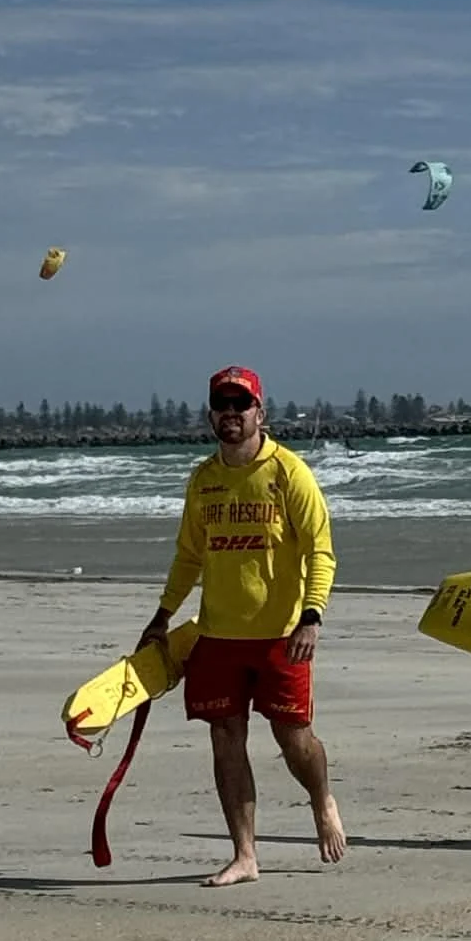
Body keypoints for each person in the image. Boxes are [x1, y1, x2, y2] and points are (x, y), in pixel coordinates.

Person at [139, 364, 346, 887]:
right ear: (211, 414)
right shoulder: (204, 480)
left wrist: (312, 616)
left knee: (293, 739)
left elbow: (321, 552)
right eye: (222, 406)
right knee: (225, 739)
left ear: (261, 412)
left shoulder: (288, 473)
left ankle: (321, 800)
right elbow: (189, 556)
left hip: (281, 635)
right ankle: (245, 855)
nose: (231, 414)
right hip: (218, 636)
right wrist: (162, 617)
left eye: (241, 405)